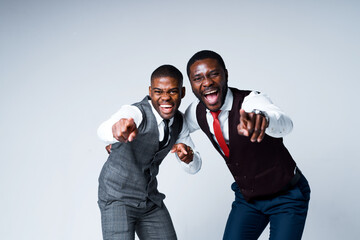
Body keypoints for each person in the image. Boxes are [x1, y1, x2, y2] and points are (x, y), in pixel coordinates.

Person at [184, 50, 310, 240]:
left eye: (214, 74)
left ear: (226, 74)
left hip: (286, 196)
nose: (207, 82)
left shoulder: (251, 101)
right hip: (248, 199)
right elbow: (177, 128)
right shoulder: (196, 111)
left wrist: (264, 119)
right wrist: (186, 152)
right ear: (192, 85)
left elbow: (285, 122)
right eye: (198, 78)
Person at [97, 64, 201, 240]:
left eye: (172, 91)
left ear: (182, 92)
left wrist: (188, 157)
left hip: (149, 200)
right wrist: (116, 129)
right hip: (117, 197)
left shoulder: (179, 122)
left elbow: (194, 167)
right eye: (158, 91)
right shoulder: (137, 112)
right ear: (150, 92)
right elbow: (103, 130)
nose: (165, 98)